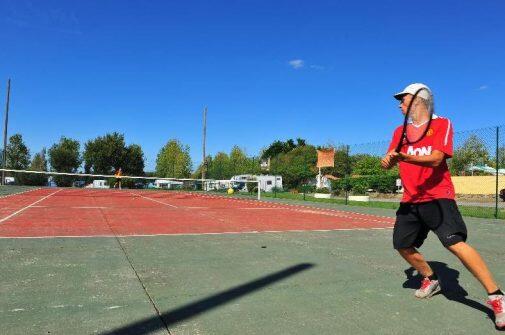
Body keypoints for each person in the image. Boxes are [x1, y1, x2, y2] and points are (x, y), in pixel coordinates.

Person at [381, 83, 504, 329]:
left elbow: (437, 158)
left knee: (454, 243)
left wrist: (405, 156)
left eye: (403, 100)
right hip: (410, 200)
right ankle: (431, 278)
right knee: (402, 245)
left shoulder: (442, 124)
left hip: (438, 197)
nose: (399, 105)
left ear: (419, 101)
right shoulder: (399, 131)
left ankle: (497, 297)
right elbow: (389, 160)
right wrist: (387, 160)